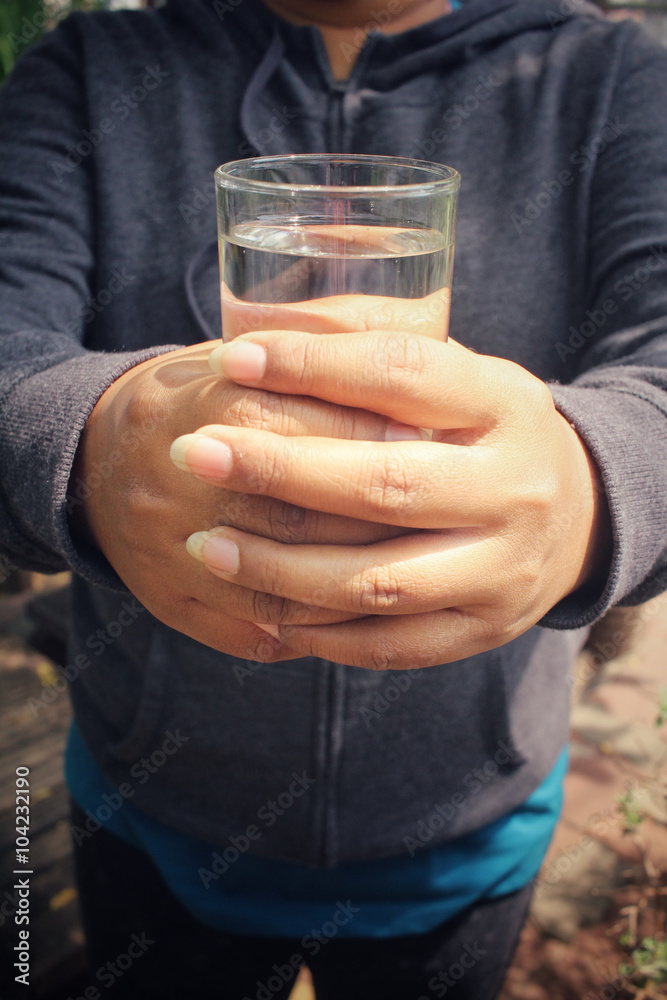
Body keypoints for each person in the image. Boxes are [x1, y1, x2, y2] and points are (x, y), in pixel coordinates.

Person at [1, 0, 666, 996]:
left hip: (466, 830)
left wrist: (593, 488)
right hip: (151, 809)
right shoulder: (91, 64)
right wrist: (86, 444)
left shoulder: (610, 72)